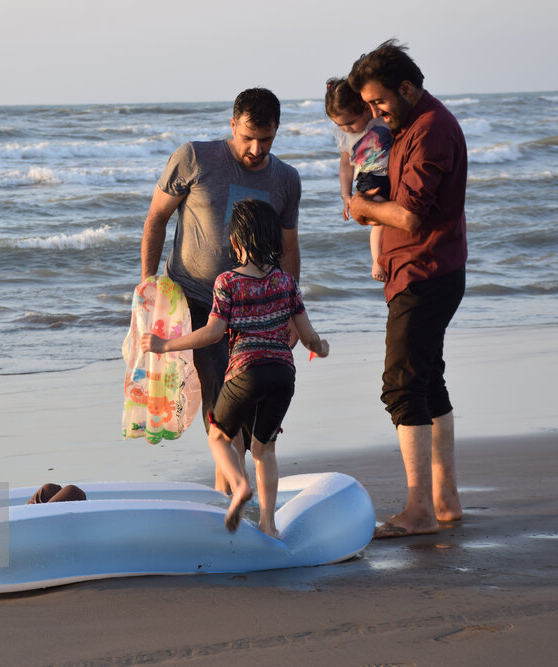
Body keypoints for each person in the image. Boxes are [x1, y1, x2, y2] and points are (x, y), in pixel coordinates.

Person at [139, 88, 302, 494]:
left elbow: (288, 248)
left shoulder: (285, 179)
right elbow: (156, 218)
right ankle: (229, 499)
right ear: (233, 125)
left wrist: (292, 314)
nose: (256, 148)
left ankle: (230, 499)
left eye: (266, 138)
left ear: (277, 130)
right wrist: (148, 286)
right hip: (197, 301)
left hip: (255, 314)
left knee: (250, 411)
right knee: (222, 406)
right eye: (248, 136)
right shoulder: (194, 158)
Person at [141, 200, 329, 537]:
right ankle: (270, 526)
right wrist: (321, 348)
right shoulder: (286, 282)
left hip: (246, 371)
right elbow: (309, 336)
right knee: (264, 449)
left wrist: (164, 345)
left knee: (218, 437)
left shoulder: (227, 281)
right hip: (283, 374)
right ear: (273, 240)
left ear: (236, 242)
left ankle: (239, 486)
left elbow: (213, 332)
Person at [346, 40, 469, 538]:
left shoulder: (431, 130)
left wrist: (362, 208)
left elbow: (412, 217)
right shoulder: (413, 125)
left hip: (425, 271)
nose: (374, 113)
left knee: (400, 385)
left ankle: (419, 508)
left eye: (379, 103)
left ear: (407, 87)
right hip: (423, 269)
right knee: (425, 379)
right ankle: (445, 498)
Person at [325, 77, 393, 283]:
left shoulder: (380, 120)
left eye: (350, 123)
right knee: (380, 219)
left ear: (365, 109)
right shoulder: (345, 135)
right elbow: (345, 166)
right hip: (369, 178)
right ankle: (377, 261)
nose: (346, 128)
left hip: (392, 174)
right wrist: (346, 195)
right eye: (339, 124)